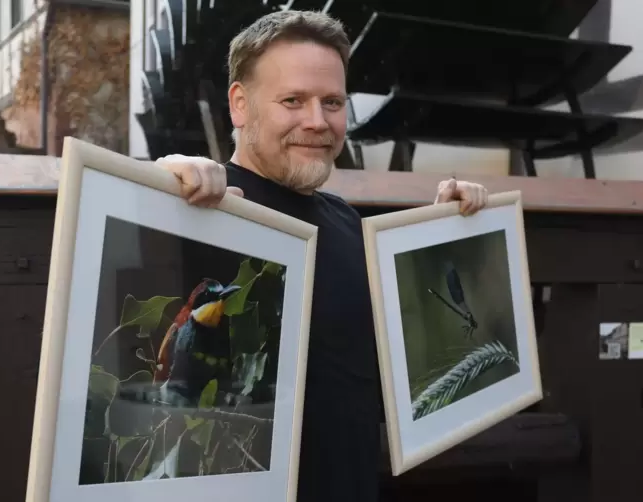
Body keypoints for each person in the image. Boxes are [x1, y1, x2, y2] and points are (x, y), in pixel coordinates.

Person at [155, 10, 489, 502]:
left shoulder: (347, 223)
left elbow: (385, 363)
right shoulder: (198, 209)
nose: (317, 121)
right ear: (240, 104)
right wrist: (160, 178)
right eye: (293, 100)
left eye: (332, 102)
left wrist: (442, 236)